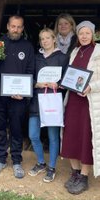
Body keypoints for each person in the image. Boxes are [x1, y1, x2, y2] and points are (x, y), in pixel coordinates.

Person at [60, 20, 100, 195]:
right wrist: (66, 83)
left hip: (90, 105)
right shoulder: (75, 51)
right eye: (81, 33)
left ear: (92, 35)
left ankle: (84, 177)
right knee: (71, 137)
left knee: (86, 139)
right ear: (77, 35)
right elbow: (72, 75)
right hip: (74, 103)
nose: (84, 36)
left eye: (87, 33)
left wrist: (91, 87)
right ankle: (75, 173)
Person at [0, 15, 35, 179]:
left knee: (17, 129)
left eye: (19, 27)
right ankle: (1, 159)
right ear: (7, 26)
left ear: (23, 27)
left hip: (18, 97)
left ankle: (17, 161)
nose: (16, 30)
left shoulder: (28, 47)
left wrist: (24, 92)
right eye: (13, 26)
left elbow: (30, 72)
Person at [28, 28, 69, 183]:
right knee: (33, 134)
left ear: (54, 39)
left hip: (53, 101)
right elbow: (29, 76)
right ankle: (41, 162)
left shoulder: (63, 58)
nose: (44, 41)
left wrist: (58, 84)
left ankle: (51, 167)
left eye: (47, 38)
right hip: (37, 101)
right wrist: (36, 83)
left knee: (53, 136)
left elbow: (67, 79)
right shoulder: (35, 58)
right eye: (41, 39)